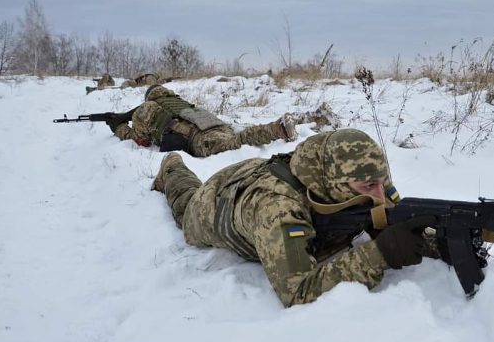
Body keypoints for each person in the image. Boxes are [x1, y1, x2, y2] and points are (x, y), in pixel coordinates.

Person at [151, 128, 445, 307]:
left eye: (382, 182)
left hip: (257, 175)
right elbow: (298, 291)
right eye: (370, 188)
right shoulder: (277, 208)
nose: (382, 195)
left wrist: (439, 239)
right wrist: (381, 253)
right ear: (335, 185)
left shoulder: (365, 176)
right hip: (213, 204)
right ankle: (173, 165)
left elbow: (393, 212)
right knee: (185, 199)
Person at [107, 84, 338, 158]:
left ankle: (278, 129)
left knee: (237, 143)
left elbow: (141, 141)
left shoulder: (145, 110)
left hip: (198, 137)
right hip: (212, 124)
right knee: (237, 136)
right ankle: (288, 126)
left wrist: (119, 128)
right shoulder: (176, 101)